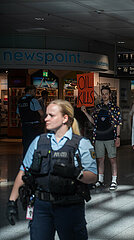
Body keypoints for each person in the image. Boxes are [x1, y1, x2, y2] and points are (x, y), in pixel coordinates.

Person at [6, 99, 97, 240]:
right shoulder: (38, 141)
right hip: (41, 206)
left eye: (51, 115)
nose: (45, 118)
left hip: (69, 206)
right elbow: (23, 171)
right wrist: (12, 202)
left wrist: (75, 173)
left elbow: (92, 176)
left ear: (65, 118)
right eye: (46, 114)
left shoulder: (81, 144)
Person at [81, 86, 122, 191]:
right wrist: (85, 112)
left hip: (110, 137)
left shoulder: (115, 108)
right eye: (103, 94)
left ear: (110, 95)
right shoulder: (97, 107)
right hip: (99, 137)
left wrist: (118, 137)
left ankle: (114, 180)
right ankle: (100, 180)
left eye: (106, 94)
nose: (104, 96)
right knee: (100, 159)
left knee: (112, 159)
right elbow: (93, 121)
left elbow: (118, 124)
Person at [17, 85, 44, 157]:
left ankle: (26, 159)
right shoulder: (33, 100)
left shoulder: (20, 101)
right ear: (29, 91)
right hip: (34, 126)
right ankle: (34, 160)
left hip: (25, 125)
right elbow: (41, 113)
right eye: (34, 91)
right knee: (35, 143)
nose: (35, 93)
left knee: (26, 143)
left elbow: (18, 113)